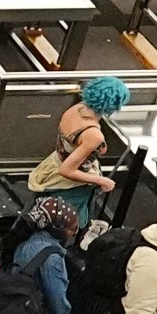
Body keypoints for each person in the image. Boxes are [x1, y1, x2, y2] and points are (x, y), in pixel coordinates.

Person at [31, 76, 126, 222]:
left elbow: (72, 142)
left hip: (54, 162)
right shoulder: (94, 134)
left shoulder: (77, 109)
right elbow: (66, 170)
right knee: (62, 222)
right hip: (68, 185)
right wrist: (102, 181)